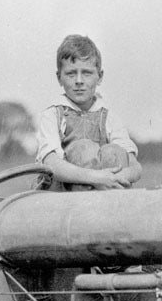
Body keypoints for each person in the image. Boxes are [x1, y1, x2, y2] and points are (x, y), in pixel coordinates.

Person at [35, 34, 142, 190]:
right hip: (60, 197)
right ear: (59, 78)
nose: (79, 81)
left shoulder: (108, 117)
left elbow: (135, 166)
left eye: (87, 73)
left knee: (114, 152)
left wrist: (115, 178)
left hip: (106, 189)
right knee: (83, 149)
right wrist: (96, 178)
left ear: (99, 76)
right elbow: (51, 164)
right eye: (71, 74)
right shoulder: (53, 114)